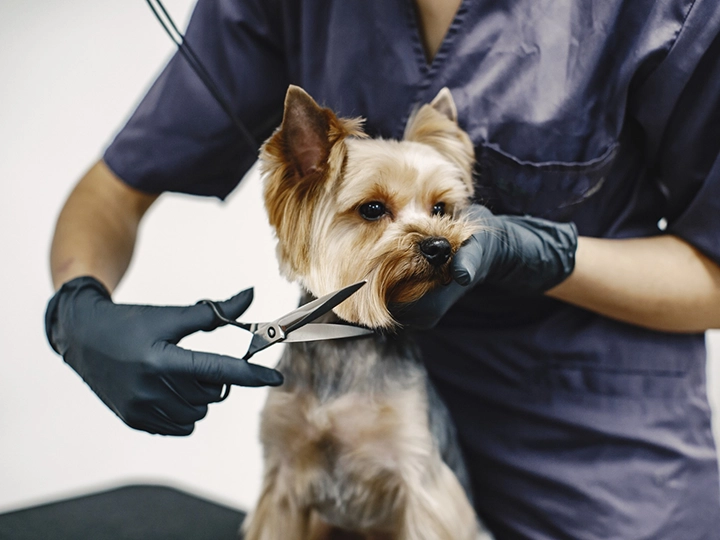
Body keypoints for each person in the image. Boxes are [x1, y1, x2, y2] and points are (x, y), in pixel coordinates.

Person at [45, 0, 720, 538]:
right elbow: (113, 188)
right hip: (342, 381)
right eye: (374, 209)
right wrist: (79, 308)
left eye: (439, 208)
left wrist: (545, 253)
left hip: (598, 456)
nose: (423, 235)